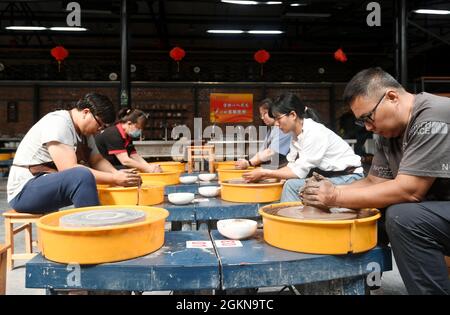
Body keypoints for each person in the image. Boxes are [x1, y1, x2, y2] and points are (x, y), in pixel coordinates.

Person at [302, 67, 450, 295]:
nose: (368, 127)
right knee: (368, 214)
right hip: (439, 208)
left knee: (404, 218)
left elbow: (410, 191)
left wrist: (336, 197)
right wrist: (330, 191)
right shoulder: (386, 133)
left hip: (435, 207)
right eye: (363, 123)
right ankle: (350, 288)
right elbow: (374, 183)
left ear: (392, 97)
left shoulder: (433, 116)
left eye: (368, 118)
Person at [7, 93, 141, 214]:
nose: (99, 130)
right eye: (99, 124)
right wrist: (114, 178)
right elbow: (69, 168)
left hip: (45, 184)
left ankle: (100, 223)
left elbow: (97, 160)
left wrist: (116, 175)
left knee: (98, 179)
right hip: (24, 191)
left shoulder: (84, 133)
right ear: (86, 112)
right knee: (81, 176)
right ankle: (93, 230)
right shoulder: (58, 122)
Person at [242, 93, 363, 202]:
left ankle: (289, 223)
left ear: (293, 115)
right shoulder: (295, 134)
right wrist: (270, 175)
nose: (277, 124)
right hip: (332, 176)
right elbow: (291, 166)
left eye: (278, 118)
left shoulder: (314, 132)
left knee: (291, 186)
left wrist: (264, 173)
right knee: (287, 182)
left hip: (349, 177)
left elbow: (298, 172)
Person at [95, 108, 162, 173]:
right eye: (138, 128)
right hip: (101, 168)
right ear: (129, 124)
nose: (139, 131)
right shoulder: (113, 134)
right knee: (132, 171)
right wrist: (147, 169)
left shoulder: (127, 135)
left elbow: (134, 155)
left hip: (112, 166)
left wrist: (149, 166)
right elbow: (125, 161)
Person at [235, 98, 291, 170]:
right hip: (274, 169)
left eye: (265, 113)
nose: (262, 117)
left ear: (273, 112)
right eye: (261, 115)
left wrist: (249, 163)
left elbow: (270, 152)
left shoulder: (283, 128)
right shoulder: (271, 130)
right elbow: (262, 151)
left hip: (284, 169)